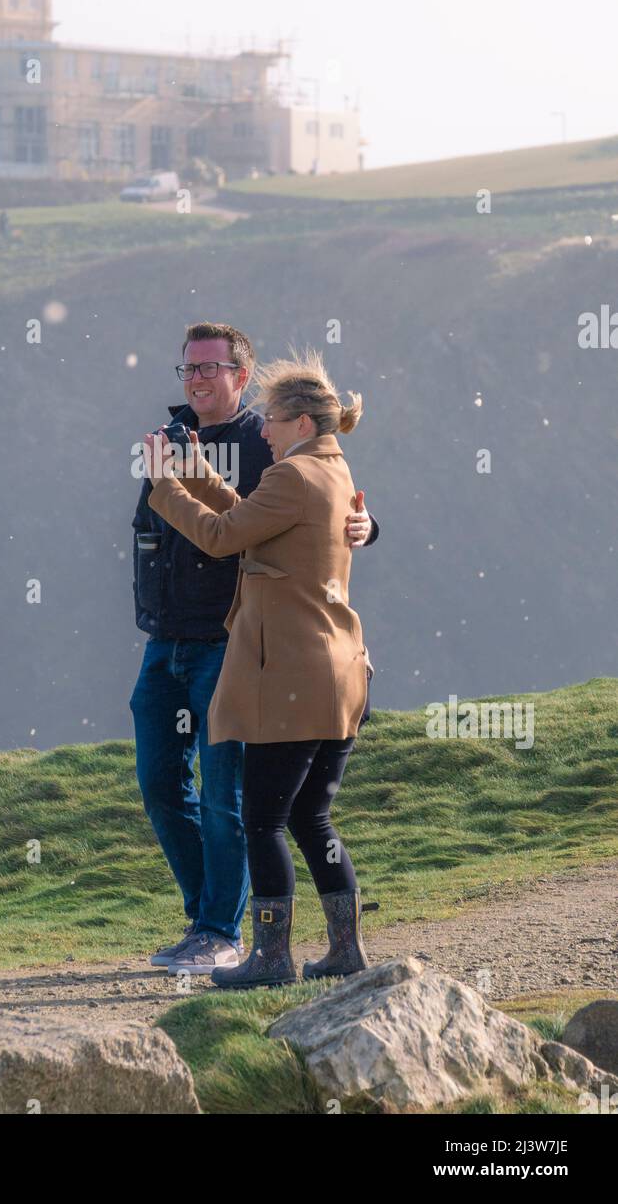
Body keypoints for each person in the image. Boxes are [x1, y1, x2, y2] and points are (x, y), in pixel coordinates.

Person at [132, 326, 378, 977]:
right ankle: (346, 953)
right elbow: (249, 515)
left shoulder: (294, 474)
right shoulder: (327, 466)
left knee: (263, 817)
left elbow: (223, 535)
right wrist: (193, 472)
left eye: (272, 419)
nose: (264, 431)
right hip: (336, 672)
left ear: (298, 420)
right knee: (310, 817)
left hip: (292, 676)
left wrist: (165, 485)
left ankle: (267, 956)